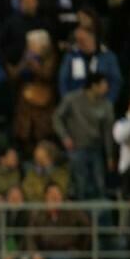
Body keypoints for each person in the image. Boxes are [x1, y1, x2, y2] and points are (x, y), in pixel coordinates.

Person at [53, 73, 116, 201]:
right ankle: (81, 213)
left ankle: (100, 213)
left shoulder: (107, 105)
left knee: (100, 185)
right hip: (77, 148)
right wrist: (64, 136)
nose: (107, 88)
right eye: (103, 85)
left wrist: (110, 155)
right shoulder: (72, 99)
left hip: (96, 150)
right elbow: (56, 117)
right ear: (94, 86)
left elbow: (108, 132)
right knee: (80, 185)